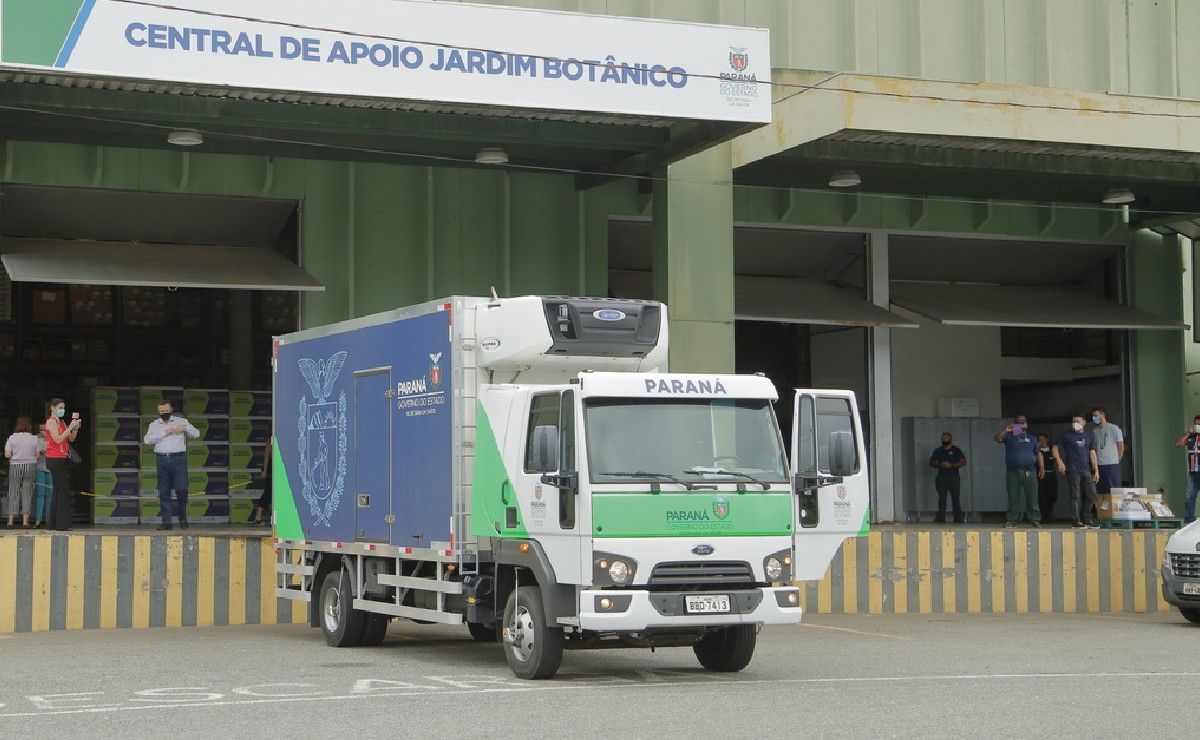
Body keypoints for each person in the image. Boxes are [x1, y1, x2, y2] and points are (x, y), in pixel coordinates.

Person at [143, 400, 199, 531]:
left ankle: (183, 518)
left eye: (167, 410)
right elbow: (147, 440)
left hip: (178, 459)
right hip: (162, 459)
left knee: (182, 489)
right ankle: (166, 522)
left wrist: (185, 428)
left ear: (171, 409)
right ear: (158, 412)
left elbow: (196, 434)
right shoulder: (154, 425)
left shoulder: (181, 421)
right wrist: (164, 433)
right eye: (162, 411)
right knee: (164, 491)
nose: (164, 413)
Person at [993, 414, 1043, 528]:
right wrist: (1005, 430)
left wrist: (1042, 468)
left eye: (1022, 423)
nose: (1020, 425)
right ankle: (1011, 520)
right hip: (1013, 472)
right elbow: (996, 439)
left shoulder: (1032, 438)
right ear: (1014, 425)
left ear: (1026, 425)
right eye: (1018, 424)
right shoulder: (1009, 436)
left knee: (1032, 498)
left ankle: (1035, 520)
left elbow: (1038, 454)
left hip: (1030, 472)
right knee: (1013, 498)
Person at [1052, 415, 1100, 529]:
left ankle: (1087, 518)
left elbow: (1092, 453)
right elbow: (1054, 448)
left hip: (1086, 470)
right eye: (1073, 421)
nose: (1075, 423)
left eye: (1078, 421)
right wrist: (1059, 462)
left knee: (1092, 494)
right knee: (1075, 495)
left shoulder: (1088, 436)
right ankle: (1076, 520)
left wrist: (1096, 470)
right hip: (1073, 470)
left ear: (1084, 422)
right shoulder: (1066, 435)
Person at [43, 398, 81, 532]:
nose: (62, 410)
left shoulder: (62, 422)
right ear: (53, 408)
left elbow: (70, 438)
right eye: (60, 407)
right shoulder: (51, 421)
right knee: (63, 489)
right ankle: (62, 524)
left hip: (61, 457)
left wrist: (74, 428)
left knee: (58, 490)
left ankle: (54, 523)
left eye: (63, 408)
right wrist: (70, 427)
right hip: (54, 458)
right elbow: (57, 439)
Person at [4, 416, 39, 529]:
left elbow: (7, 454)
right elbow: (37, 455)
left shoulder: (12, 438)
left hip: (15, 466)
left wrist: (15, 455)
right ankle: (25, 522)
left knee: (13, 492)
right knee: (27, 493)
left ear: (17, 425)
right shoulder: (34, 439)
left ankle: (10, 521)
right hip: (30, 466)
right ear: (29, 426)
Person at [928, 431, 967, 523]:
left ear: (950, 439)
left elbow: (963, 462)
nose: (944, 440)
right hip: (941, 477)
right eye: (942, 438)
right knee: (942, 497)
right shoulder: (938, 451)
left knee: (955, 497)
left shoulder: (956, 450)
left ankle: (958, 517)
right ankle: (940, 517)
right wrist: (941, 465)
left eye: (946, 438)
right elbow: (931, 462)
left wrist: (951, 465)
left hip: (954, 477)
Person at [1090, 407, 1125, 494]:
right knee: (1100, 490)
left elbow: (1120, 446)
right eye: (1093, 416)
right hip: (1100, 465)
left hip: (1112, 464)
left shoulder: (1114, 428)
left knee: (1114, 490)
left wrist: (1117, 459)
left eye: (1096, 416)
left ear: (1102, 415)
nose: (1094, 418)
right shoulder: (1095, 431)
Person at [1173, 414, 1200, 524]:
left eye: (1199, 424)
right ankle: (1190, 520)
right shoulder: (1191, 437)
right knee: (1189, 497)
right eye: (1195, 424)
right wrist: (1189, 433)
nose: (1197, 426)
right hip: (1193, 472)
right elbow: (1178, 444)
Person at [1036, 432, 1059, 523]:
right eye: (1039, 440)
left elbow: (1057, 452)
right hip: (1041, 475)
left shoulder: (1051, 448)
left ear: (1047, 439)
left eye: (1042, 439)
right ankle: (1044, 515)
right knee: (1041, 497)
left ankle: (1048, 513)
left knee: (1053, 496)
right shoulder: (1036, 450)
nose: (1041, 441)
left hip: (1051, 475)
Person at [32, 424, 51, 528]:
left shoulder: (53, 439)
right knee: (40, 494)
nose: (43, 431)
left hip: (51, 469)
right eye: (41, 429)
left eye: (45, 429)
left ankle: (49, 519)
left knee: (50, 495)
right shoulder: (36, 439)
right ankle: (38, 520)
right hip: (39, 468)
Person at [250, 437, 272, 527]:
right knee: (269, 491)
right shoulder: (270, 439)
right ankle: (258, 515)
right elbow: (267, 455)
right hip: (272, 469)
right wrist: (265, 471)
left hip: (280, 467)